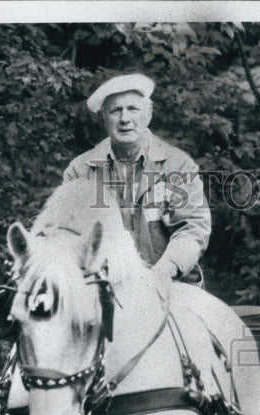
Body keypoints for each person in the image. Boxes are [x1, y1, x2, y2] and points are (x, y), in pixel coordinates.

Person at [63, 73, 210, 285]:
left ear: (148, 114)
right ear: (104, 117)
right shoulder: (80, 171)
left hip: (171, 285)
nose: (124, 119)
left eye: (133, 109)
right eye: (115, 110)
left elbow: (192, 229)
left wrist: (163, 272)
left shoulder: (177, 165)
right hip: (104, 289)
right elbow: (67, 233)